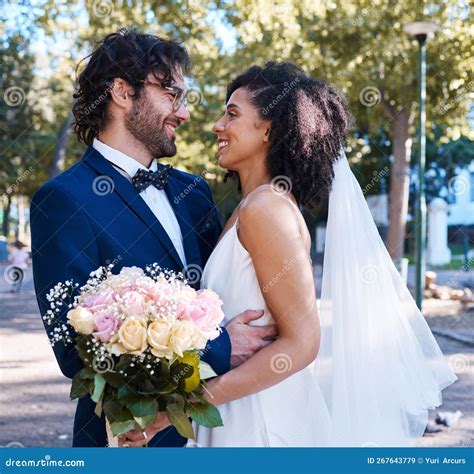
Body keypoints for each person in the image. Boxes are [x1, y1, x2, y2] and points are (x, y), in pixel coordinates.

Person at [176, 61, 456, 447]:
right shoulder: (250, 207)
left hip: (258, 421)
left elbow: (302, 343)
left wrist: (190, 403)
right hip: (236, 406)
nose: (217, 125)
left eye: (232, 114)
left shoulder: (267, 209)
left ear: (268, 130)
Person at [30, 29, 276, 448]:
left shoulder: (193, 192)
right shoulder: (62, 200)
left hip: (223, 427)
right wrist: (218, 348)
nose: (183, 114)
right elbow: (76, 351)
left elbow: (221, 290)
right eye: (171, 95)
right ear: (123, 92)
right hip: (129, 438)